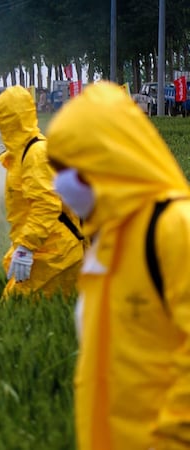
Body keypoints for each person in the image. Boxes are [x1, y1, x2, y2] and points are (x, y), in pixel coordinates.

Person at [46, 81, 190, 450]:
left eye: (70, 168)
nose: (59, 183)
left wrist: (171, 438)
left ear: (108, 160)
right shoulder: (107, 242)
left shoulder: (175, 228)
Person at [0, 85, 84, 300]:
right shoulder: (22, 153)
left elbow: (47, 205)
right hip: (45, 249)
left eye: (0, 118)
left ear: (10, 120)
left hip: (56, 254)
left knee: (16, 310)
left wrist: (26, 247)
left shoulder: (35, 154)